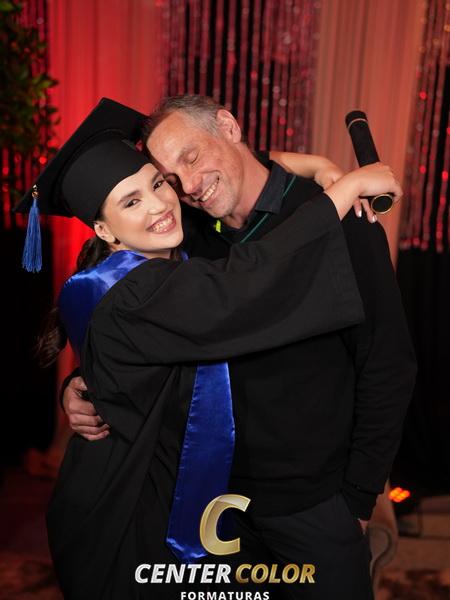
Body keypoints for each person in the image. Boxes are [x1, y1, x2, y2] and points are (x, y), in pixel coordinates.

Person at [17, 97, 402, 599]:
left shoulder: (186, 238)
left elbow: (388, 363)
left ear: (229, 126)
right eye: (146, 192)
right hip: (188, 506)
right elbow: (240, 285)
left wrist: (358, 496)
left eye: (164, 181)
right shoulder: (173, 256)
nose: (178, 192)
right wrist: (344, 184)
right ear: (104, 230)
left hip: (306, 503)